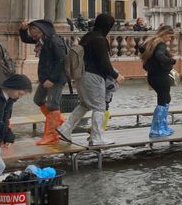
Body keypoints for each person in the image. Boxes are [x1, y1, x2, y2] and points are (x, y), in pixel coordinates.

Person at [58, 13, 120, 146]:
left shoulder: (87, 36)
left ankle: (65, 129)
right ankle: (97, 137)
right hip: (94, 76)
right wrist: (116, 76)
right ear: (107, 26)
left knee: (85, 104)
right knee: (99, 107)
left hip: (82, 75)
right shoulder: (100, 40)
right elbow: (104, 64)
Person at [18, 19, 68, 146]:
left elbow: (61, 60)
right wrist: (23, 30)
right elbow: (25, 39)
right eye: (30, 30)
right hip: (45, 78)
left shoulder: (54, 41)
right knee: (38, 99)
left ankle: (52, 135)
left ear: (42, 29)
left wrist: (52, 79)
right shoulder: (41, 40)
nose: (31, 34)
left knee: (52, 105)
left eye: (33, 30)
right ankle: (60, 120)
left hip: (55, 79)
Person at [141, 25, 177, 137]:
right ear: (165, 34)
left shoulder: (152, 42)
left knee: (166, 99)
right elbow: (159, 56)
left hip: (153, 76)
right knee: (163, 100)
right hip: (160, 76)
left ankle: (163, 126)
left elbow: (141, 49)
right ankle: (156, 130)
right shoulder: (160, 43)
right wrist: (171, 60)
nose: (171, 39)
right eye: (170, 36)